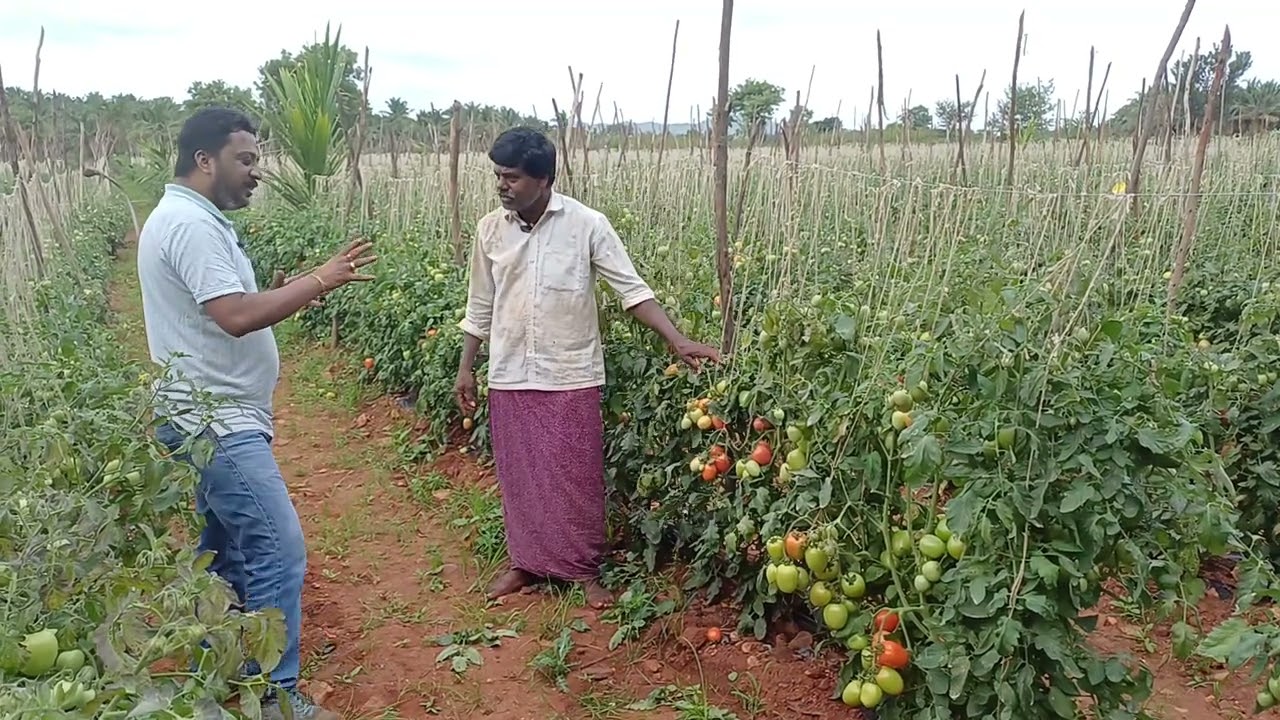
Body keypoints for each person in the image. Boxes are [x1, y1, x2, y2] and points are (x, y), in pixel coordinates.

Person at [136, 106, 377, 720]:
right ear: (204, 160)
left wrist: (304, 279)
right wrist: (321, 279)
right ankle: (273, 696)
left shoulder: (194, 219)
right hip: (216, 422)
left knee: (225, 553)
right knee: (278, 548)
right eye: (245, 160)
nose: (256, 173)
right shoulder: (191, 225)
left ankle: (214, 669)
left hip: (211, 414)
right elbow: (237, 315)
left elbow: (232, 303)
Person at [454, 126, 720, 609]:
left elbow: (631, 290)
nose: (502, 185)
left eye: (512, 177)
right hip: (510, 370)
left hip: (570, 370)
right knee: (520, 474)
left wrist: (676, 339)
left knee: (575, 476)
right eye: (498, 176)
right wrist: (465, 368)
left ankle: (581, 570)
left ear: (544, 178)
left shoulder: (587, 224)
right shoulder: (489, 229)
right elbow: (480, 304)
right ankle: (525, 563)